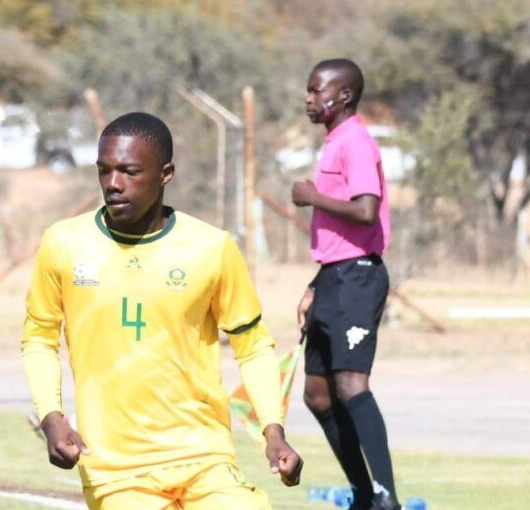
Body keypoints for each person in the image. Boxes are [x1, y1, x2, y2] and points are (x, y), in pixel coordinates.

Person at [22, 112, 303, 510]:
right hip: (116, 470)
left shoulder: (211, 247)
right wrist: (53, 418)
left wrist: (272, 431)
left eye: (129, 171)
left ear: (165, 173)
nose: (113, 184)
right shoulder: (64, 244)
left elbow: (253, 347)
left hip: (204, 457)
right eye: (104, 171)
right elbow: (38, 339)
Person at [291, 59, 399, 510]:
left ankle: (386, 497)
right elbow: (339, 238)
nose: (309, 98)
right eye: (309, 90)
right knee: (317, 394)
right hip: (333, 276)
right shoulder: (334, 141)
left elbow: (366, 211)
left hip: (358, 277)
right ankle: (361, 494)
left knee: (352, 383)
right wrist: (315, 283)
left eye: (318, 90)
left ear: (344, 96)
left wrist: (313, 197)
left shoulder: (355, 142)